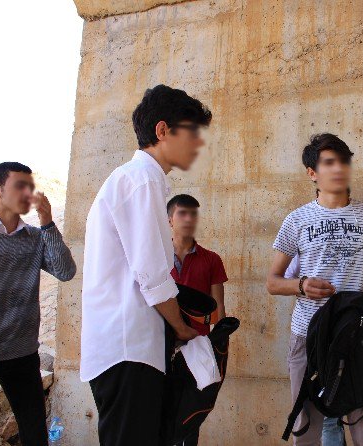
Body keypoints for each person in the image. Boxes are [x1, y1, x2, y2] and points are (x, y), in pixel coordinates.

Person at [80, 85, 212, 446]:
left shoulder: (136, 179)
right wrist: (181, 327)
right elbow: (152, 275)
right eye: (192, 133)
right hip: (128, 350)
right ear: (163, 131)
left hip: (128, 349)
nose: (198, 144)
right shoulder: (143, 180)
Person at [266, 133, 363, 446]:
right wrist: (301, 285)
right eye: (329, 162)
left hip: (357, 334)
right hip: (308, 335)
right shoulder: (296, 220)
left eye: (343, 161)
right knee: (306, 425)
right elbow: (272, 281)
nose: (338, 168)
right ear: (313, 173)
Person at [0, 162, 76, 445]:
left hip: (23, 354)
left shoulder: (35, 237)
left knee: (35, 435)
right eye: (20, 185)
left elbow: (66, 271)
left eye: (30, 186)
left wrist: (47, 222)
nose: (28, 192)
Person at [285, 244, 363, 446]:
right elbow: (282, 280)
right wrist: (303, 286)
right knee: (328, 416)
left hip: (361, 341)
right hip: (322, 341)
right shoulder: (307, 233)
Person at [168, 193, 228, 334]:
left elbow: (218, 305)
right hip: (162, 340)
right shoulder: (155, 257)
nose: (188, 219)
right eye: (182, 213)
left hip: (199, 339)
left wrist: (220, 341)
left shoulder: (212, 259)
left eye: (193, 214)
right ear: (170, 220)